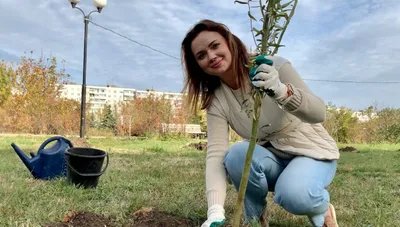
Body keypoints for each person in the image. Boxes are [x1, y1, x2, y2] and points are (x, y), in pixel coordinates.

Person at [180, 19, 340, 227]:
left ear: (230, 43)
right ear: (198, 66)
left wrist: (282, 91)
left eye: (215, 46)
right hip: (271, 158)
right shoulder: (217, 100)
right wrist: (215, 210)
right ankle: (255, 221)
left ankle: (321, 207)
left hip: (312, 152)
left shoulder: (271, 66)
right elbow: (215, 153)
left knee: (293, 194)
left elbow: (319, 113)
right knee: (237, 155)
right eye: (201, 55)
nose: (211, 56)